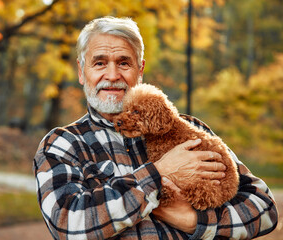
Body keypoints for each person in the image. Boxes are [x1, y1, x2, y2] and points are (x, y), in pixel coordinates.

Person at [33, 16, 278, 240]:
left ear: (140, 70)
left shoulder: (190, 129)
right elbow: (69, 224)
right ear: (81, 71)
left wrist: (195, 222)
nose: (113, 74)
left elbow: (264, 208)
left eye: (124, 63)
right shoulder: (62, 144)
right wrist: (158, 174)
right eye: (99, 63)